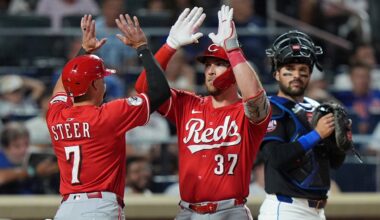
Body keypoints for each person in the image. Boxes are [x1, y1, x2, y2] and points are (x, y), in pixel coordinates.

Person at [135, 5, 271, 219]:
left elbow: (254, 97)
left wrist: (233, 49)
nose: (210, 70)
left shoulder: (246, 112)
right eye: (207, 65)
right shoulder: (188, 104)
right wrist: (170, 46)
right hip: (187, 211)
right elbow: (144, 89)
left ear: (235, 71)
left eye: (219, 64)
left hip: (230, 211)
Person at [46, 14, 171, 219]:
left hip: (66, 209)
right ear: (95, 85)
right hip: (99, 208)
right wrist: (142, 47)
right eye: (101, 79)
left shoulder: (55, 116)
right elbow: (160, 93)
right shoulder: (108, 115)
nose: (104, 83)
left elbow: (65, 84)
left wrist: (83, 52)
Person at [258, 30, 346, 220]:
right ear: (276, 73)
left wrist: (342, 140)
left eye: (302, 69)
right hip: (286, 208)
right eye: (289, 68)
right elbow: (275, 157)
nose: (296, 75)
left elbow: (334, 163)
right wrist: (317, 134)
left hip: (317, 210)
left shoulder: (317, 108)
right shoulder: (271, 107)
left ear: (310, 73)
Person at [0, 122, 58, 194]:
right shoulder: (1, 158)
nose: (23, 150)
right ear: (5, 147)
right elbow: (1, 178)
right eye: (17, 146)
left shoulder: (33, 156)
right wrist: (33, 171)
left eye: (26, 144)